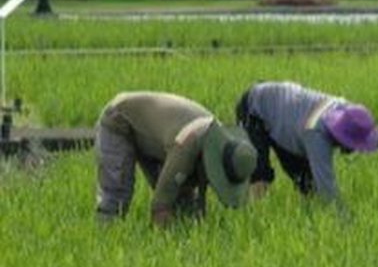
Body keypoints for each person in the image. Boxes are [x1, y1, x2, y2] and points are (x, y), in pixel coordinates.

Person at [95, 91, 258, 227]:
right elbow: (161, 204)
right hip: (120, 118)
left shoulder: (222, 143)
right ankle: (104, 236)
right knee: (117, 195)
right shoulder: (190, 142)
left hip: (161, 136)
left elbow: (194, 188)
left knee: (184, 205)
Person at [235, 81, 378, 216]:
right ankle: (251, 219)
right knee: (260, 178)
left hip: (289, 117)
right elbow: (327, 190)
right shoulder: (317, 136)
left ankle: (308, 220)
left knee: (308, 185)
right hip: (255, 108)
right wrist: (346, 220)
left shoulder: (346, 111)